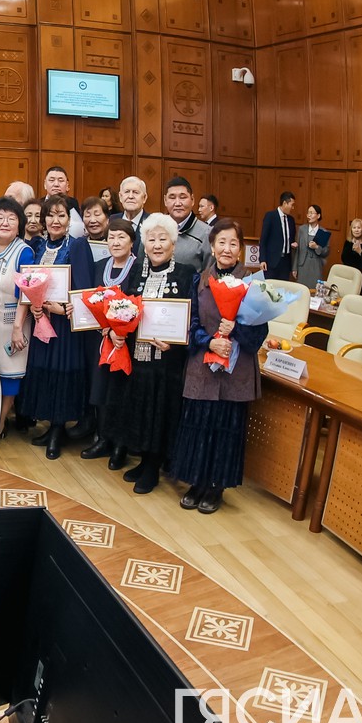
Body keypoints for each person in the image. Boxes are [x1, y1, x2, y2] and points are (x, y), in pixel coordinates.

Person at [173, 219, 269, 514]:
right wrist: (209, 342)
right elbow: (189, 325)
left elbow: (259, 334)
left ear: (241, 250)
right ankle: (196, 482)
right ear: (212, 247)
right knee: (198, 425)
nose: (227, 249)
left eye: (233, 243)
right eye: (222, 242)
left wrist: (235, 330)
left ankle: (216, 488)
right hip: (203, 366)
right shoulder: (198, 280)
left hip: (236, 371)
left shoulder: (253, 284)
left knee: (226, 427)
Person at [99, 214, 195, 494]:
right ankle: (143, 460)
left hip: (167, 360)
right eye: (151, 239)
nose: (156, 244)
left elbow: (191, 316)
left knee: (160, 410)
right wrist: (116, 330)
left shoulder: (186, 273)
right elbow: (124, 307)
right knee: (140, 408)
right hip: (137, 356)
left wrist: (175, 343)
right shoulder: (138, 270)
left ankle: (153, 466)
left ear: (173, 244)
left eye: (162, 239)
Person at [17, 195, 95, 459]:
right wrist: (35, 304)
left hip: (64, 324)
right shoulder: (38, 246)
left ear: (69, 220)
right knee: (45, 370)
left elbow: (84, 287)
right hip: (41, 320)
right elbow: (30, 280)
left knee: (62, 371)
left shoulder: (78, 246)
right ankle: (50, 424)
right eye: (50, 215)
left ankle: (59, 429)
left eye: (61, 215)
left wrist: (63, 308)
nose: (55, 220)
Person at [80, 218, 138, 469]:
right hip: (103, 338)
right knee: (101, 387)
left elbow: (139, 301)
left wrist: (121, 332)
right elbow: (93, 300)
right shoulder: (100, 265)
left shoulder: (139, 267)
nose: (116, 242)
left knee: (122, 392)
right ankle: (103, 438)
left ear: (132, 242)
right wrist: (107, 328)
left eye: (121, 237)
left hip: (129, 341)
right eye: (111, 237)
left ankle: (120, 445)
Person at [0, 197, 34, 437]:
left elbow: (26, 292)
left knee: (9, 375)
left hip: (13, 320)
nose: (5, 222)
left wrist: (17, 328)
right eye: (0, 217)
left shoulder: (24, 251)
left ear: (19, 225)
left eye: (12, 218)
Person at [162, 176, 212, 272]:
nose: (177, 203)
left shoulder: (207, 233)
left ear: (192, 200)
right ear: (165, 201)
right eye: (172, 197)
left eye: (183, 197)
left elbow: (208, 275)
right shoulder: (156, 229)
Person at [259, 191, 298, 281]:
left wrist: (293, 244)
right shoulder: (270, 216)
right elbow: (263, 240)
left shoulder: (291, 220)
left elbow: (291, 239)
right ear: (284, 203)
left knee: (282, 290)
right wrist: (262, 259)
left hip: (285, 262)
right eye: (291, 205)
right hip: (272, 261)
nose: (293, 208)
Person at [293, 204, 330, 289]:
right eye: (308, 213)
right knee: (301, 290)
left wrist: (316, 247)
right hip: (302, 265)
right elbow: (298, 250)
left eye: (311, 213)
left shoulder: (323, 232)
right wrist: (294, 268)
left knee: (314, 291)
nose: (309, 215)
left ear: (318, 215)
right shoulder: (302, 229)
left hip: (316, 266)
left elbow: (326, 251)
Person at [341, 218, 362, 294]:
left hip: (361, 277)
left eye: (359, 228)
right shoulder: (348, 242)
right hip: (348, 275)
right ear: (351, 230)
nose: (356, 230)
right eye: (354, 227)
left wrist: (360, 252)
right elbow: (343, 258)